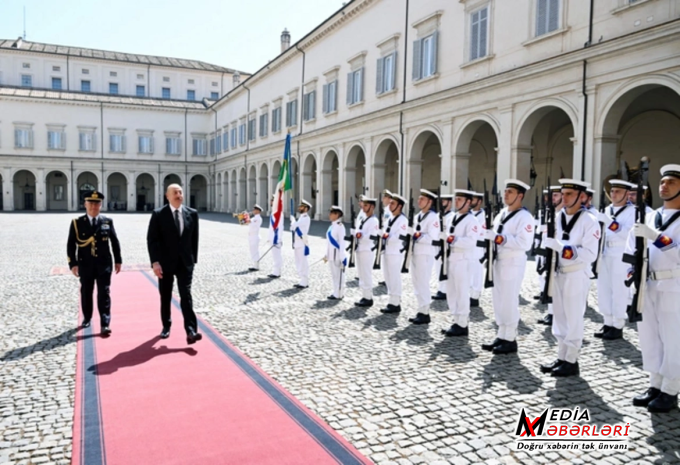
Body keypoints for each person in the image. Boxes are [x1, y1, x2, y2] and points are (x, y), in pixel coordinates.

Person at [627, 164, 680, 413]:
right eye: (662, 182)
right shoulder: (650, 215)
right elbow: (632, 248)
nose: (664, 185)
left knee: (673, 340)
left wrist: (657, 236)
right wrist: (631, 273)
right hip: (647, 285)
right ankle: (654, 384)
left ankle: (671, 389)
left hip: (674, 286)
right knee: (649, 337)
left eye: (671, 182)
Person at [539, 179, 600, 377]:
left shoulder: (589, 221)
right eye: (563, 194)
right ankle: (562, 356)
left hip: (576, 273)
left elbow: (590, 254)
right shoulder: (558, 216)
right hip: (558, 273)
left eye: (569, 195)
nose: (564, 198)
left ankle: (572, 360)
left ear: (582, 197)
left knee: (573, 316)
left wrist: (563, 249)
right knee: (559, 316)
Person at [481, 179, 534, 354]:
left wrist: (499, 238)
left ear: (520, 196)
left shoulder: (525, 217)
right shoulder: (501, 214)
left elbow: (524, 243)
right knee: (498, 300)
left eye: (510, 192)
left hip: (513, 261)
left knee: (509, 300)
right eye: (505, 191)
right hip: (499, 261)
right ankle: (501, 334)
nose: (505, 194)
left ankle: (510, 338)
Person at [147, 184, 202, 344]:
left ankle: (191, 330)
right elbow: (152, 240)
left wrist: (193, 260)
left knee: (186, 295)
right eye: (175, 193)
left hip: (185, 263)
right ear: (167, 196)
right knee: (165, 295)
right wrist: (155, 262)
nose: (179, 195)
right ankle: (166, 325)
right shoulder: (159, 214)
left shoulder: (192, 213)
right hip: (165, 263)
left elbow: (194, 239)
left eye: (180, 192)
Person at [67, 190, 122, 336]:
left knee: (104, 292)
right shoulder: (77, 223)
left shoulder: (107, 221)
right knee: (86, 291)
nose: (94, 206)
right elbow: (71, 244)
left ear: (101, 205)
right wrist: (73, 263)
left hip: (104, 264)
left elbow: (114, 242)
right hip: (85, 264)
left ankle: (105, 323)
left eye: (97, 203)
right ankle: (87, 317)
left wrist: (118, 260)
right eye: (90, 203)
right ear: (85, 204)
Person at [595, 179, 635, 340]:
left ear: (626, 194)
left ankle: (618, 324)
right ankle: (607, 321)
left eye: (618, 191)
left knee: (619, 290)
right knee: (604, 288)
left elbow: (628, 234)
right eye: (612, 191)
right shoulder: (607, 209)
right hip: (605, 252)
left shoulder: (633, 212)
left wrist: (610, 223)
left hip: (621, 253)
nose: (613, 194)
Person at [441, 189, 480, 337]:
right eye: (456, 199)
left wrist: (452, 240)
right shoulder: (453, 217)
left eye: (460, 199)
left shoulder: (472, 221)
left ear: (468, 202)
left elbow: (471, 241)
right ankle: (456, 319)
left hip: (464, 259)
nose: (456, 202)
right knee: (451, 291)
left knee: (462, 291)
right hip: (452, 258)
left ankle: (463, 322)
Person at [408, 189, 440, 325]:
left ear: (430, 202)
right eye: (419, 198)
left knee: (423, 282)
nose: (419, 201)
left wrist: (417, 235)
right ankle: (421, 309)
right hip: (416, 252)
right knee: (416, 282)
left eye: (422, 199)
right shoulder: (418, 216)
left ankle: (425, 312)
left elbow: (433, 236)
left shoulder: (433, 217)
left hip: (426, 253)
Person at [537, 186, 563, 326]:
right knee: (547, 281)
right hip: (546, 250)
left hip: (558, 253)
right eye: (552, 196)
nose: (552, 198)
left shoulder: (564, 214)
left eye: (556, 196)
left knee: (556, 283)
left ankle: (556, 314)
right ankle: (551, 312)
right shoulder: (549, 213)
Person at [380, 194, 408, 314]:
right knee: (387, 276)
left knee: (394, 276)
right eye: (390, 203)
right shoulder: (390, 218)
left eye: (393, 204)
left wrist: (387, 237)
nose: (390, 205)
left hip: (396, 251)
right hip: (387, 250)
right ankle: (391, 300)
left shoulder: (403, 220)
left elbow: (400, 237)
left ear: (399, 206)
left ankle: (395, 302)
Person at [353, 196, 380, 307]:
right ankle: (364, 296)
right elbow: (358, 230)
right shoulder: (362, 218)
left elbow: (373, 236)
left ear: (372, 207)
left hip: (367, 249)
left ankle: (368, 297)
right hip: (360, 248)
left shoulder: (374, 220)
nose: (363, 207)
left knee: (366, 273)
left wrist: (361, 235)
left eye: (366, 205)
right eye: (363, 205)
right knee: (361, 273)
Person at [433, 195, 454, 301]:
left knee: (445, 268)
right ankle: (441, 289)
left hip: (445, 245)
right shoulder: (437, 215)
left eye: (444, 201)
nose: (442, 203)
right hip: (436, 245)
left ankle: (445, 290)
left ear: (450, 203)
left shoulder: (452, 216)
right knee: (438, 268)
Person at [325, 206, 347, 300]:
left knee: (339, 275)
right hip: (331, 255)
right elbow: (329, 243)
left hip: (337, 255)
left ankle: (339, 293)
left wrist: (343, 257)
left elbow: (342, 243)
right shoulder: (332, 226)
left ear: (337, 214)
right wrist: (327, 254)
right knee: (334, 275)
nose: (329, 215)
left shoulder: (340, 226)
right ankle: (335, 292)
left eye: (332, 213)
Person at [291, 200, 312, 289]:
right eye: (299, 207)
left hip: (302, 242)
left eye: (301, 207)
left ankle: (304, 281)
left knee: (303, 262)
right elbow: (292, 228)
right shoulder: (301, 217)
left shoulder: (305, 217)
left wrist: (293, 221)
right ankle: (302, 280)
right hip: (297, 242)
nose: (299, 208)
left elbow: (294, 226)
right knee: (298, 262)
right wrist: (293, 224)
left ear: (306, 208)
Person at [470, 192, 485, 307]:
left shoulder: (483, 215)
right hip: (468, 247)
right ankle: (468, 293)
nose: (471, 201)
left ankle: (475, 296)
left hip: (478, 247)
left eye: (473, 199)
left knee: (477, 272)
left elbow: (482, 233)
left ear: (479, 201)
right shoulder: (468, 214)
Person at [378, 190, 393, 286]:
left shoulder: (390, 209)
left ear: (389, 198)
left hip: (389, 237)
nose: (383, 199)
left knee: (389, 260)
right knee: (385, 259)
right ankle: (386, 278)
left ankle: (390, 278)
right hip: (383, 236)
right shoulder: (385, 209)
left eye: (385, 197)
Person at [268, 194, 284, 278]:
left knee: (277, 255)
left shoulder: (278, 214)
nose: (271, 201)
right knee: (274, 255)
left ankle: (277, 272)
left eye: (273, 200)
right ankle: (275, 270)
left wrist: (276, 239)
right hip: (272, 238)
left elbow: (279, 227)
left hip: (276, 238)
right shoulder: (273, 213)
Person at [248, 204, 263, 271]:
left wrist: (246, 216)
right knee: (252, 251)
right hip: (251, 236)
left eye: (254, 209)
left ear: (258, 211)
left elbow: (250, 222)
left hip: (255, 236)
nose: (253, 210)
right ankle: (255, 264)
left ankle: (257, 266)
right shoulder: (254, 218)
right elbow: (244, 222)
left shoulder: (258, 218)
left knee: (255, 251)